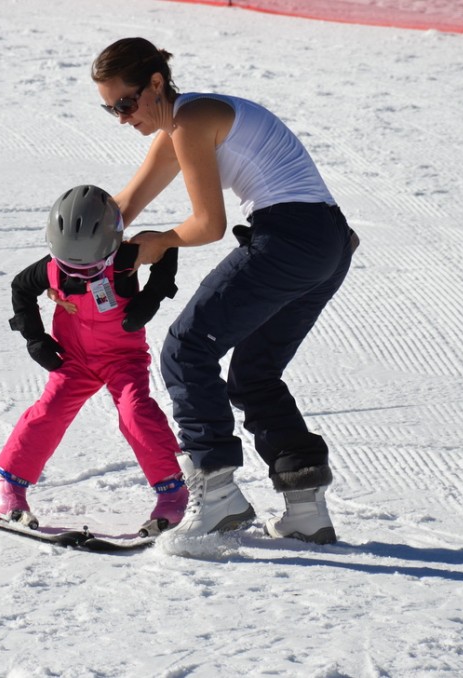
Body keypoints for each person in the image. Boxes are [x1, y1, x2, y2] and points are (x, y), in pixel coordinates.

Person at [90, 37, 359, 542]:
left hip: (290, 237)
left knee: (186, 349)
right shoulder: (179, 127)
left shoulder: (190, 123)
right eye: (110, 110)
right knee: (254, 373)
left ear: (155, 84)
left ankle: (217, 499)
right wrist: (71, 252)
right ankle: (306, 509)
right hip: (329, 243)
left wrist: (161, 243)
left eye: (126, 103)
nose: (123, 117)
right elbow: (124, 206)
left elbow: (209, 225)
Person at [0, 184, 188, 536]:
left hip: (122, 358)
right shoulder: (50, 268)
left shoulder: (124, 259)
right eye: (69, 267)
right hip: (72, 359)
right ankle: (5, 488)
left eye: (90, 269)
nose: (78, 274)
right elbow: (21, 287)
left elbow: (167, 250)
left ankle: (175, 492)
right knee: (50, 411)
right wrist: (36, 338)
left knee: (136, 413)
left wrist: (150, 298)